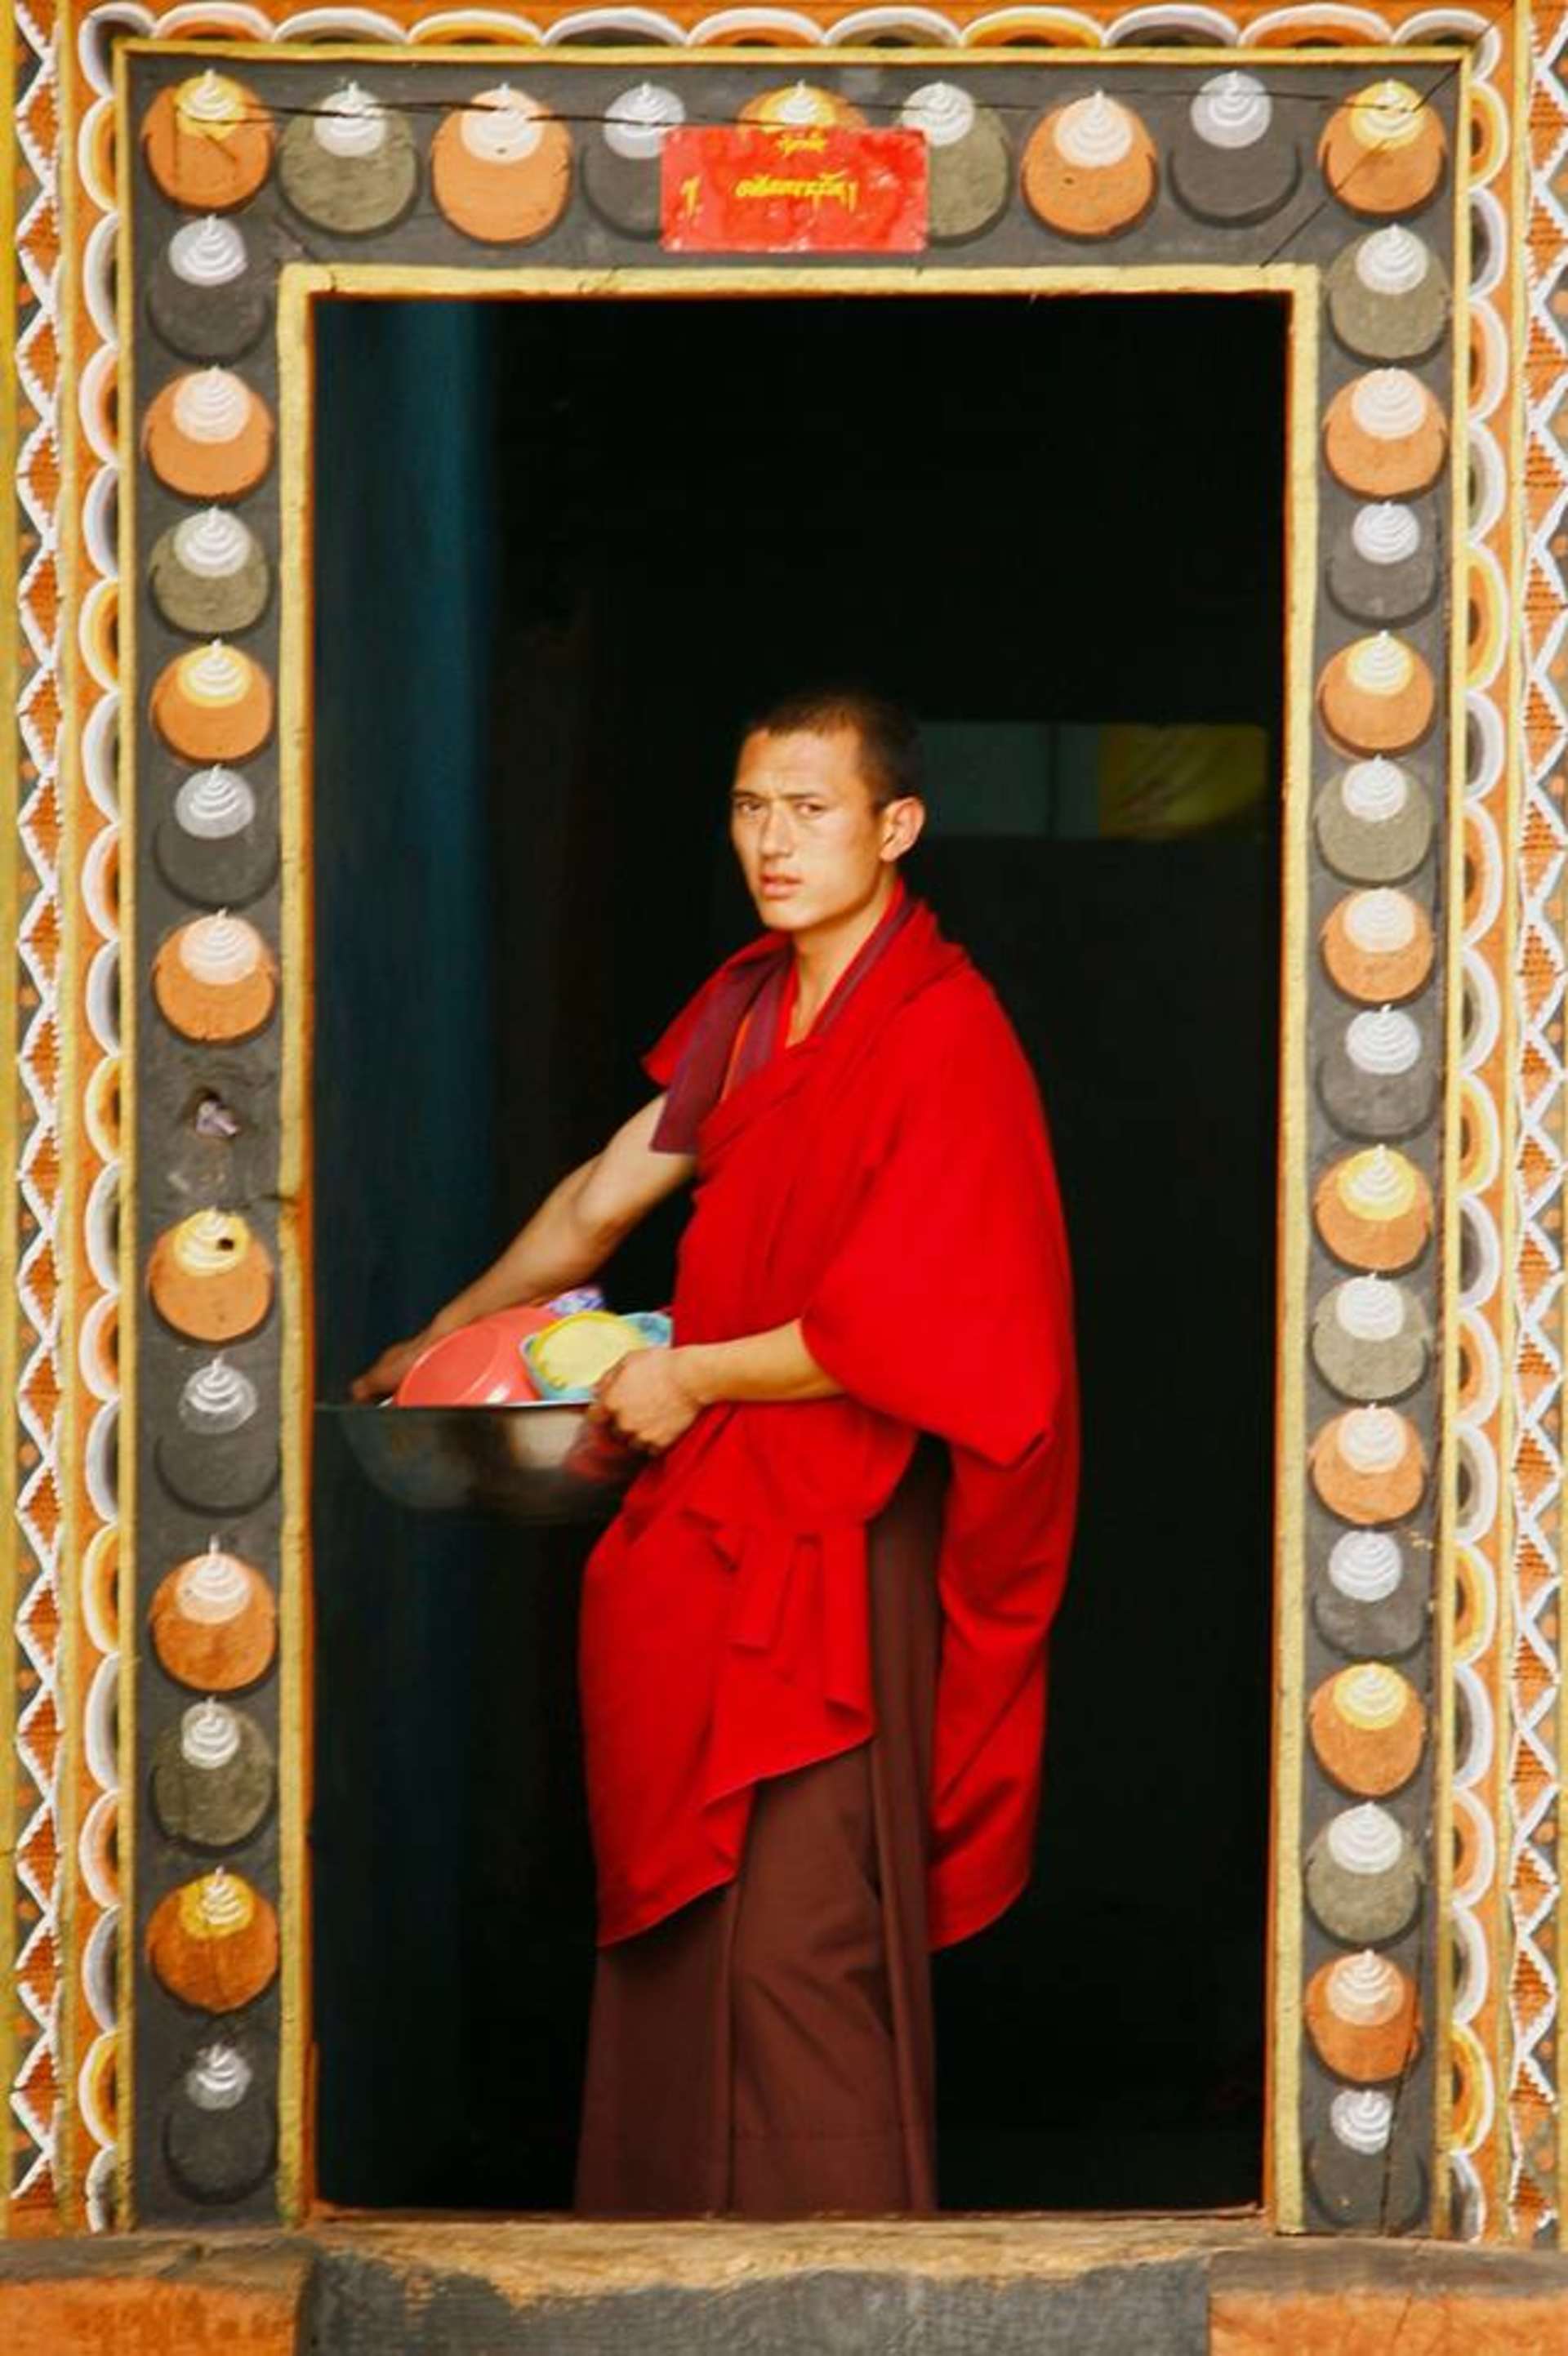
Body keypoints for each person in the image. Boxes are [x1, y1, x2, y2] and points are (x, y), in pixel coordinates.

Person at [351, 688, 1080, 2218]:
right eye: (752, 806)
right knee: (687, 1921)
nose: (773, 839)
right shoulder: (752, 1011)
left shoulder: (947, 1035)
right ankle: (662, 2269)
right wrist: (443, 1334)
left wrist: (694, 1373)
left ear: (896, 828)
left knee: (803, 1932)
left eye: (812, 809)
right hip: (711, 1510)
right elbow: (604, 1194)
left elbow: (920, 1326)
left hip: (839, 1517)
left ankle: (854, 2291)